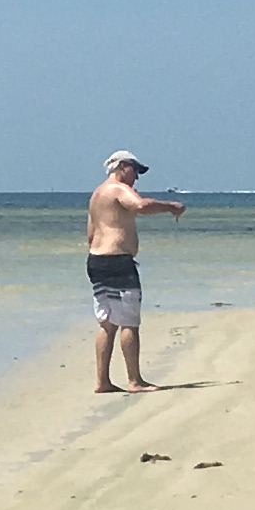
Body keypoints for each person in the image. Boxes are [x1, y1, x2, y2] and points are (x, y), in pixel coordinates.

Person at [84, 149, 185, 393]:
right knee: (129, 322)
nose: (137, 177)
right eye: (135, 170)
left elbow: (90, 233)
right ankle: (135, 381)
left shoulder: (97, 194)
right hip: (118, 262)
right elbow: (140, 206)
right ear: (122, 166)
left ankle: (103, 382)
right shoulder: (118, 189)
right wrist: (170, 206)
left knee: (107, 324)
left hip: (97, 261)